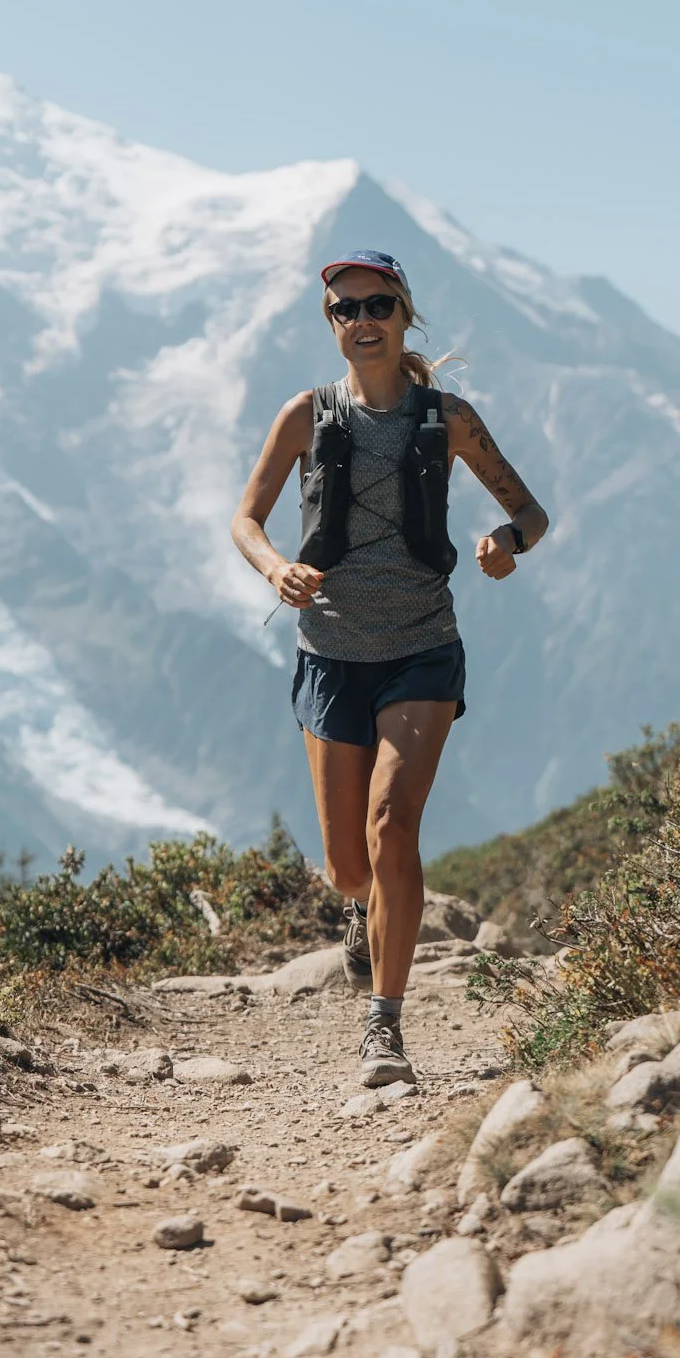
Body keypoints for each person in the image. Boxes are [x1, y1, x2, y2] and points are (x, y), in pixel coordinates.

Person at [230, 248, 549, 1087]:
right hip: (330, 655)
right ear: (330, 325)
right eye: (345, 310)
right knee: (346, 865)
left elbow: (530, 510)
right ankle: (360, 909)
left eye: (376, 304)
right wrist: (274, 570)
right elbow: (245, 520)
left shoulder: (449, 419)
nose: (361, 320)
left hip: (422, 649)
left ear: (404, 313)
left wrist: (504, 542)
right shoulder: (306, 415)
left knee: (391, 824)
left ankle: (385, 1025)